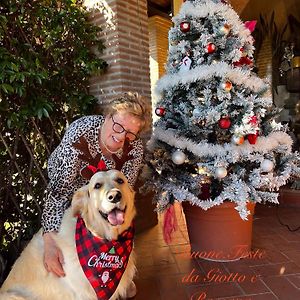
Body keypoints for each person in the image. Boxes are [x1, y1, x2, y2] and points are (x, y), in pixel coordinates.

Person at [41, 92, 150, 288]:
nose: (120, 137)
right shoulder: (80, 132)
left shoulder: (134, 148)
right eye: (118, 126)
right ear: (107, 116)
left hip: (104, 190)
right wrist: (49, 243)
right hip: (71, 184)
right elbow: (58, 193)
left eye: (130, 134)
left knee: (112, 217)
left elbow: (125, 193)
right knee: (73, 226)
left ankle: (116, 274)